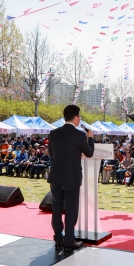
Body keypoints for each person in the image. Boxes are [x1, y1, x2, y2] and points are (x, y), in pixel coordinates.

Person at [48, 104, 94, 250]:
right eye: (79, 117)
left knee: (56, 208)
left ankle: (58, 238)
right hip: (72, 177)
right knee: (71, 209)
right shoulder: (80, 135)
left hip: (56, 176)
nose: (80, 119)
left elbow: (51, 154)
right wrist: (90, 138)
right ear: (75, 117)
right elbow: (89, 153)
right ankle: (69, 242)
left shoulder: (53, 133)